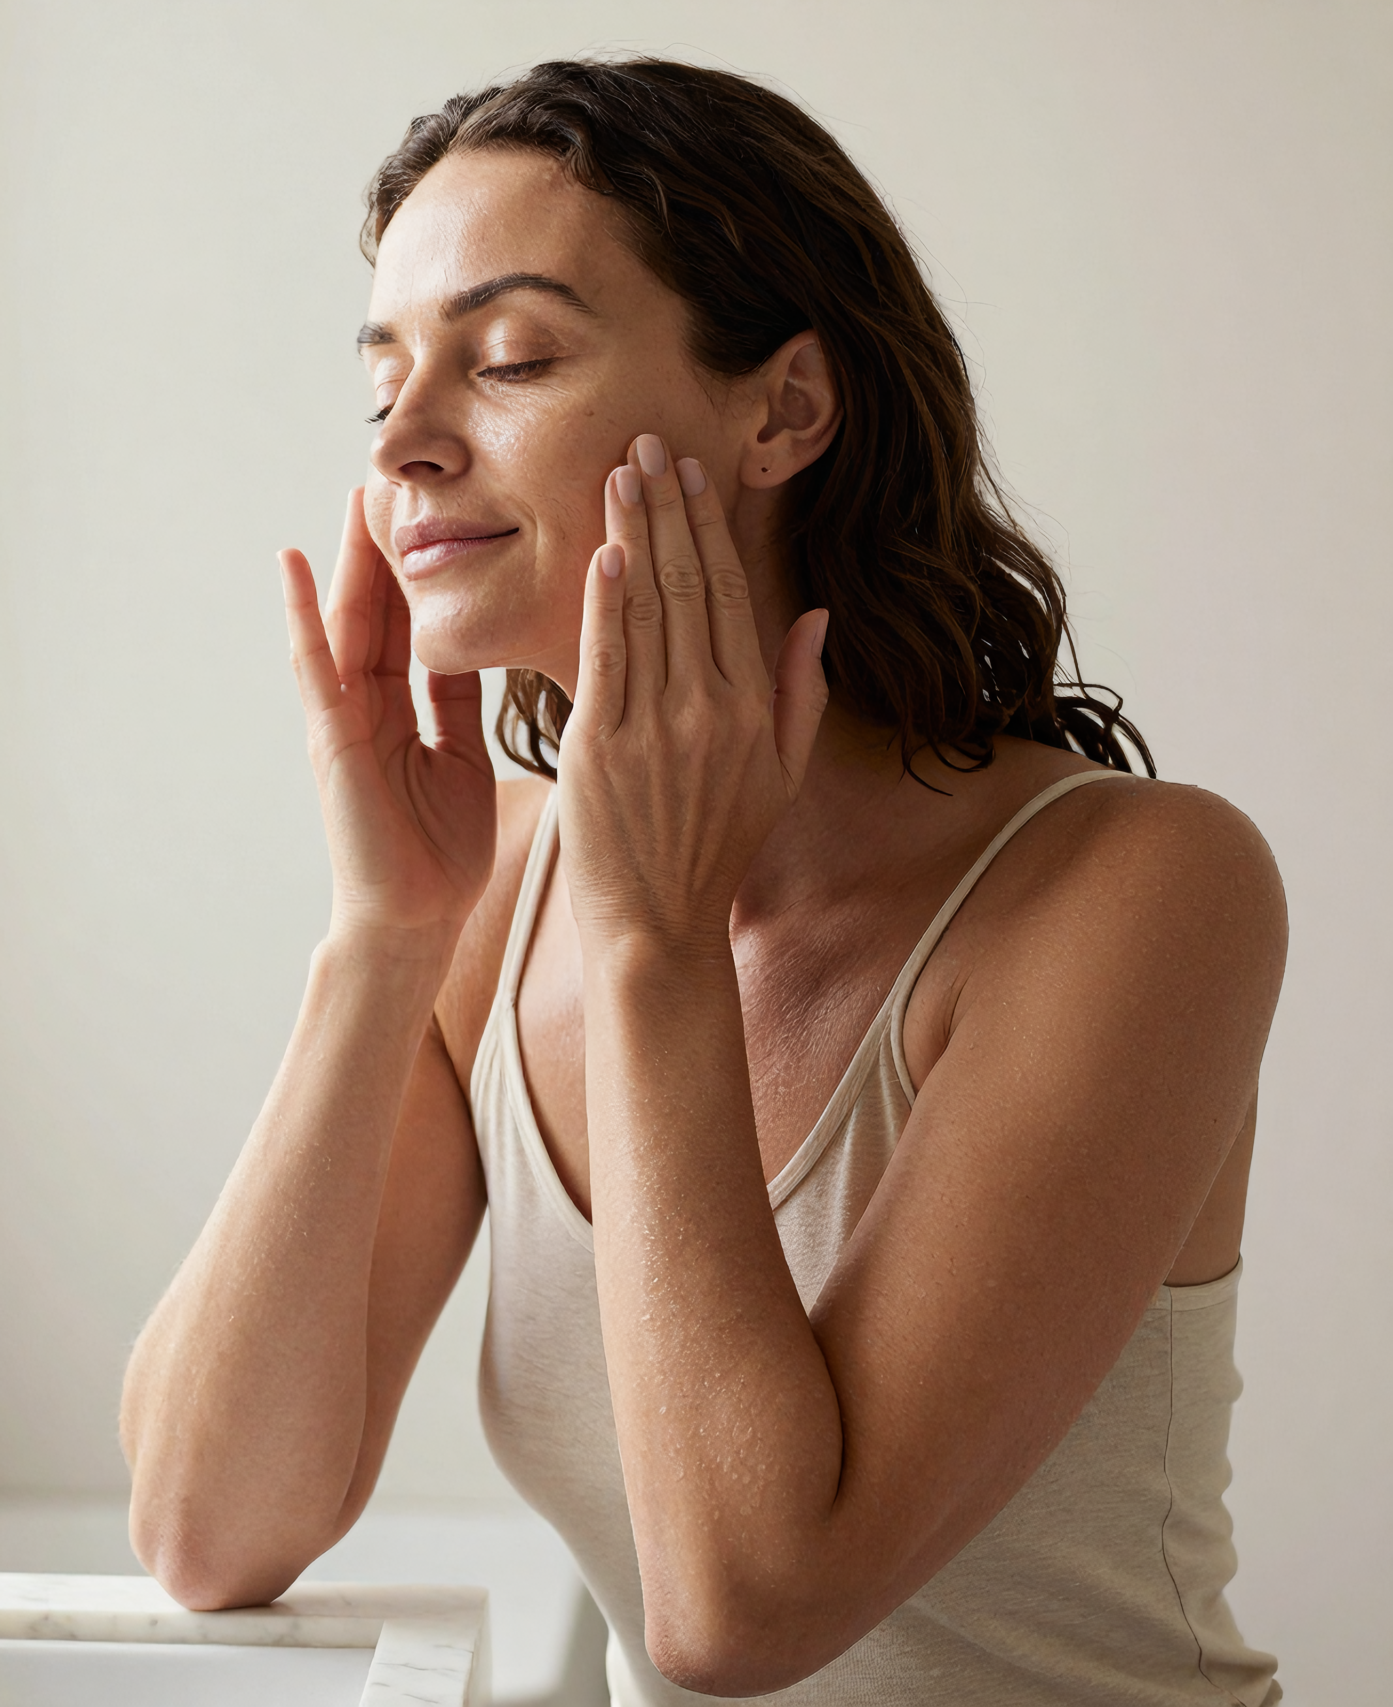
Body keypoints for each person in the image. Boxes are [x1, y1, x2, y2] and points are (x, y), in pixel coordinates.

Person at [118, 57, 1285, 1705]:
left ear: (784, 411)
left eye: (510, 356)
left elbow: (745, 1606)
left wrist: (659, 939)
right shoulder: (493, 904)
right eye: (384, 386)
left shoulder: (1139, 892)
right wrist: (380, 941)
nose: (411, 446)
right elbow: (203, 1528)